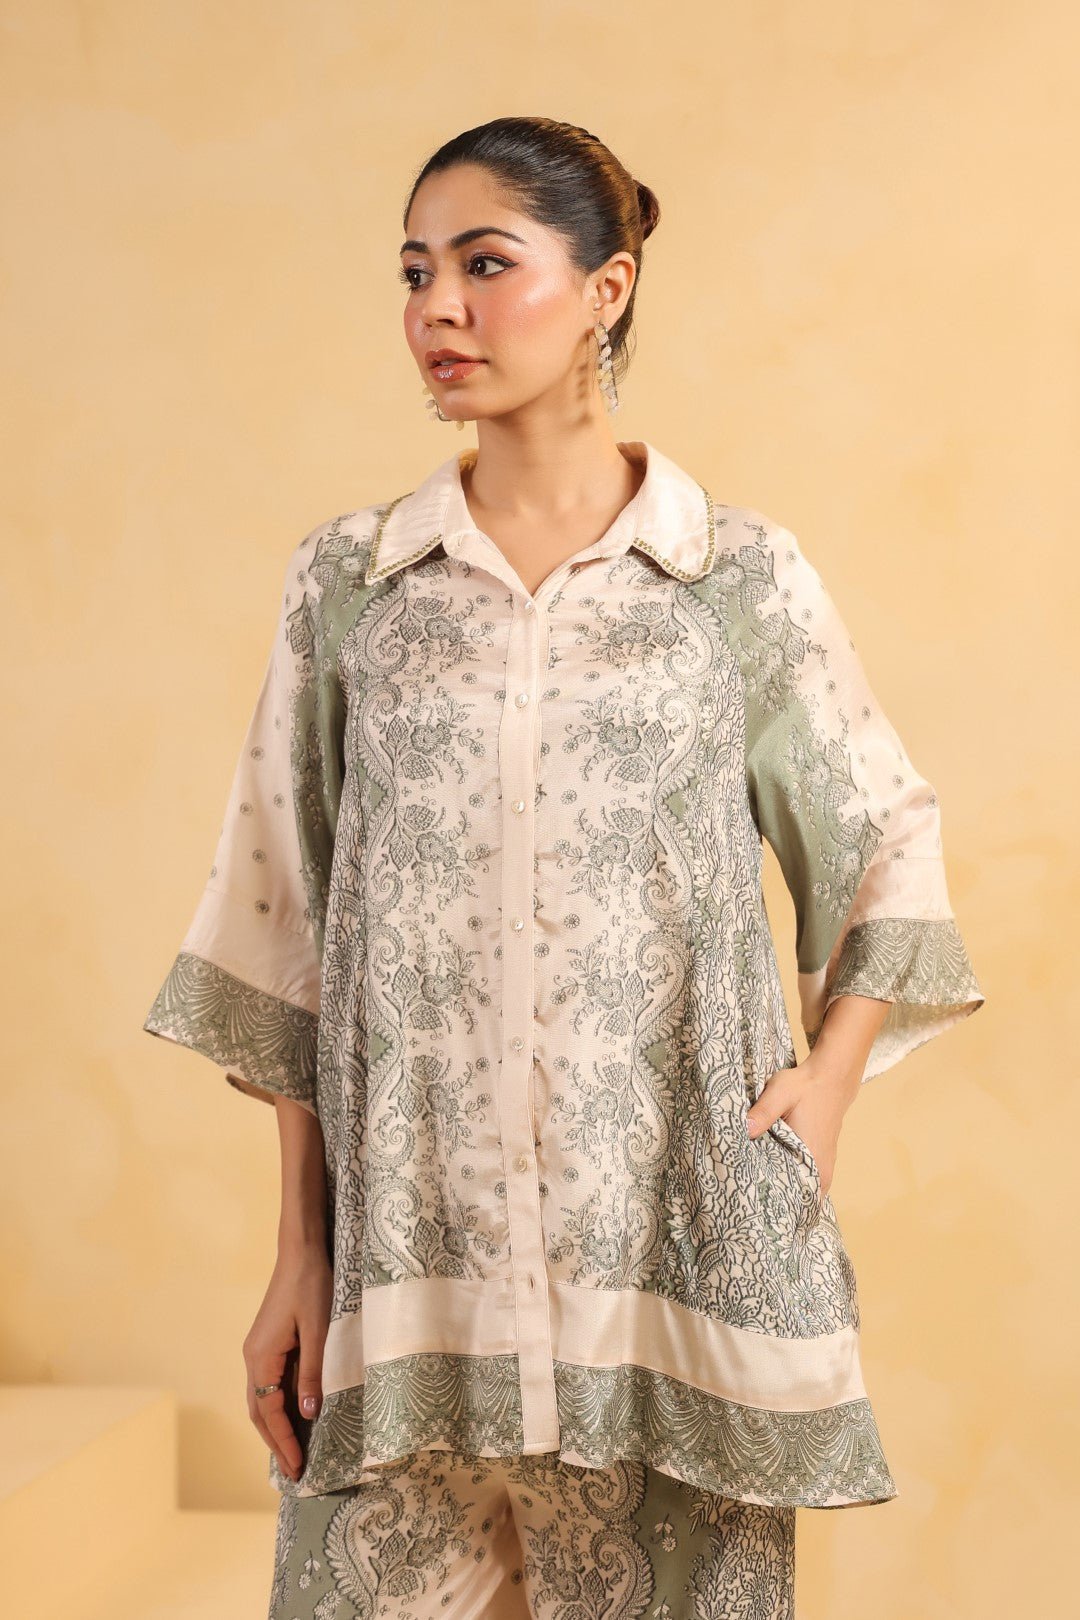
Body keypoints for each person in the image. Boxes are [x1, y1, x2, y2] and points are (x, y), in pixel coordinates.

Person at [142, 116, 985, 1620]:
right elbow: (291, 911)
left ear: (608, 288)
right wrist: (300, 1252)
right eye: (416, 273)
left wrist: (831, 1084)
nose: (439, 309)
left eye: (485, 265)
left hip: (663, 1255)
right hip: (414, 1273)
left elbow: (884, 832)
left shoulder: (734, 578)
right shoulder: (352, 586)